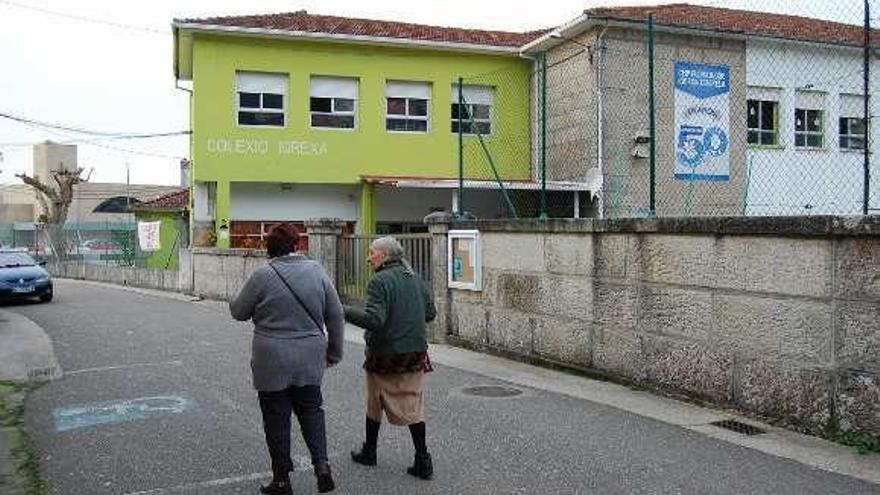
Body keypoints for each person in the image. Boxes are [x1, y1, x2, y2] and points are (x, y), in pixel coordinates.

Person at [230, 224, 344, 495]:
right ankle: (322, 465)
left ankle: (282, 479)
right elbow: (336, 314)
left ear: (269, 249)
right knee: (312, 410)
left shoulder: (262, 275)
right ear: (296, 245)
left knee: (276, 418)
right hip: (309, 354)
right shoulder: (316, 271)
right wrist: (334, 353)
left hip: (272, 357)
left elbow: (238, 311)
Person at [344, 236, 437, 480]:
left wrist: (343, 311)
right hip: (415, 352)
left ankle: (371, 452)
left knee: (376, 401)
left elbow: (375, 320)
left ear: (385, 256)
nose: (368, 257)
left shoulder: (379, 281)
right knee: (413, 404)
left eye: (372, 252)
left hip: (385, 353)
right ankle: (421, 459)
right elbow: (430, 313)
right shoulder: (415, 278)